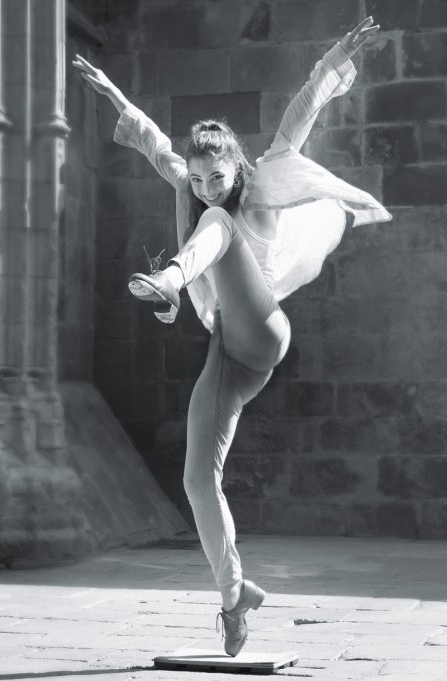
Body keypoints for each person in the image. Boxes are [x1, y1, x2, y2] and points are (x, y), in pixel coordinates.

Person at [73, 16, 390, 657]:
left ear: (234, 167)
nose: (203, 187)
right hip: (230, 354)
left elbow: (300, 114)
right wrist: (110, 91)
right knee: (197, 478)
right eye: (196, 180)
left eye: (215, 176)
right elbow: (155, 142)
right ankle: (234, 595)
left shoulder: (259, 185)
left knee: (217, 223)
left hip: (264, 328)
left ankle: (167, 279)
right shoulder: (192, 184)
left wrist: (335, 57)